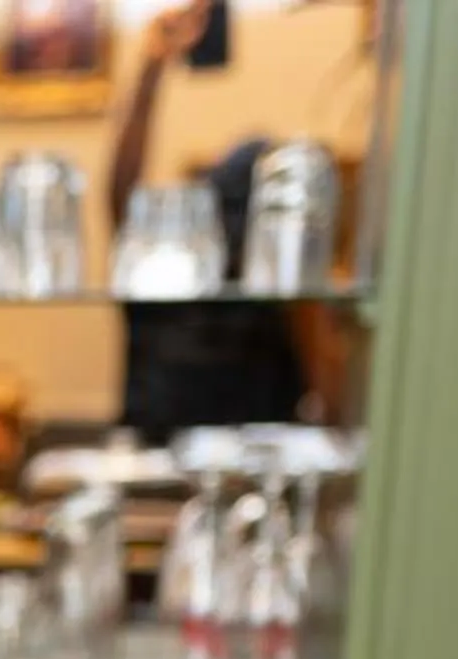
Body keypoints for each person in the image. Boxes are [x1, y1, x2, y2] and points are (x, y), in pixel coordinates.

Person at [107, 0, 327, 439]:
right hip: (199, 467)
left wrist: (152, 66)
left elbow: (121, 193)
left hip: (213, 467)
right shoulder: (167, 268)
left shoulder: (286, 297)